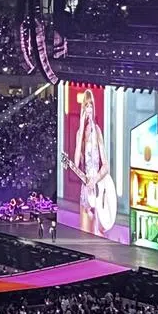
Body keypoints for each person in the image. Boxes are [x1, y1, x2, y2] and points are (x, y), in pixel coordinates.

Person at [72, 88, 109, 236]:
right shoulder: (79, 133)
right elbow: (75, 163)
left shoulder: (97, 131)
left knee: (97, 232)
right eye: (86, 105)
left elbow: (105, 165)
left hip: (97, 187)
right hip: (86, 188)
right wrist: (81, 128)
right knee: (84, 232)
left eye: (91, 105)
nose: (88, 109)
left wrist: (96, 179)